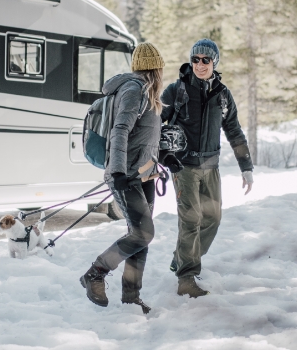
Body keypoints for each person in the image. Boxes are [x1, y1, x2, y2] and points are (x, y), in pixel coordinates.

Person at [80, 42, 170, 313]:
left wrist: (165, 157)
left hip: (144, 174)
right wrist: (117, 171)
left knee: (139, 238)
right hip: (127, 175)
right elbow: (120, 131)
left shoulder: (148, 92)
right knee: (143, 234)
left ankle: (131, 298)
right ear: (156, 68)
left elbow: (144, 138)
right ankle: (95, 273)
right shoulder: (134, 89)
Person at [161, 38, 254, 298]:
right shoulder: (176, 90)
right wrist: (158, 156)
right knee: (191, 220)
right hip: (183, 166)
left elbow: (234, 131)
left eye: (206, 60)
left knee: (212, 218)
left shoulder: (222, 94)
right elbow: (155, 123)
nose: (200, 65)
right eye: (195, 59)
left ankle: (182, 259)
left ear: (214, 62)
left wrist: (246, 166)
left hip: (210, 166)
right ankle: (186, 279)